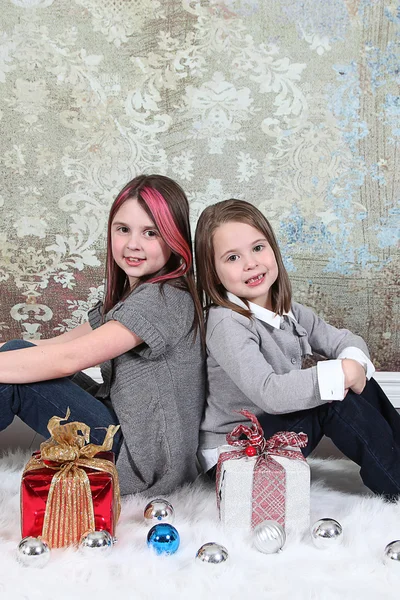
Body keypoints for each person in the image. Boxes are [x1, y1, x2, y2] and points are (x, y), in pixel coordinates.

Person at [0, 174, 205, 496]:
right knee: (16, 350)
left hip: (138, 458)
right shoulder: (136, 294)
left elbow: (68, 359)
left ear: (174, 239)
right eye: (123, 229)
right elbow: (58, 344)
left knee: (13, 381)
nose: (133, 244)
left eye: (150, 233)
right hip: (124, 428)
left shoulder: (163, 298)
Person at [194, 198, 400, 499]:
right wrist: (338, 375)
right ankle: (394, 479)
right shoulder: (226, 322)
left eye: (257, 248)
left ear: (273, 249)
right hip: (237, 455)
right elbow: (270, 392)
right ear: (213, 271)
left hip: (270, 436)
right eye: (232, 258)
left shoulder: (288, 311)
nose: (250, 263)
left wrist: (352, 365)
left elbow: (345, 340)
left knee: (351, 376)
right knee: (331, 395)